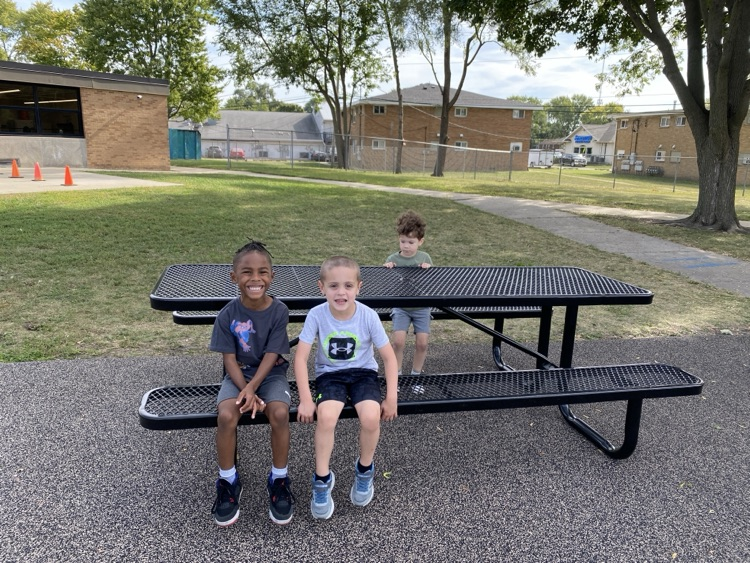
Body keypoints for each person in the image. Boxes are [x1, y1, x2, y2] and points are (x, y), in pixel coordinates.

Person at [294, 256, 398, 520]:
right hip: (330, 376)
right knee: (326, 417)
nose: (341, 292)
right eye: (334, 286)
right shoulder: (317, 314)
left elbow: (388, 357)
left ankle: (364, 471)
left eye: (348, 286)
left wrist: (392, 396)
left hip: (363, 374)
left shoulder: (368, 315)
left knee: (371, 416)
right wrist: (306, 399)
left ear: (358, 288)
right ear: (321, 287)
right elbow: (300, 357)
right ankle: (321, 479)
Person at [209, 240, 294, 527]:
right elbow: (230, 359)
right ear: (234, 277)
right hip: (238, 376)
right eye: (246, 272)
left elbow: (273, 355)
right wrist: (245, 388)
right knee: (225, 415)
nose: (255, 279)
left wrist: (253, 387)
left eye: (262, 272)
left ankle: (279, 479)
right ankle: (228, 482)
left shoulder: (279, 310)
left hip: (270, 375)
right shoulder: (226, 315)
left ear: (272, 275)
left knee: (280, 413)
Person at [383, 210, 433, 377]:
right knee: (398, 342)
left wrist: (428, 271)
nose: (406, 246)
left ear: (420, 241)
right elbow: (388, 285)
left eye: (411, 242)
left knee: (422, 344)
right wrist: (388, 270)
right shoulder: (393, 259)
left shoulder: (425, 257)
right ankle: (396, 375)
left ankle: (416, 374)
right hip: (401, 307)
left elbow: (431, 285)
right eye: (403, 241)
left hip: (421, 307)